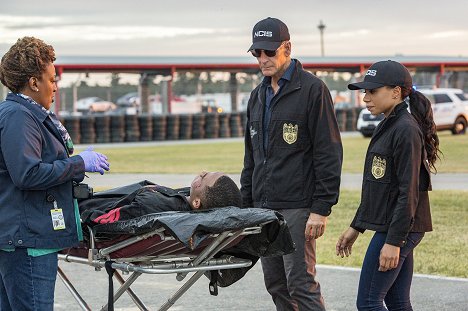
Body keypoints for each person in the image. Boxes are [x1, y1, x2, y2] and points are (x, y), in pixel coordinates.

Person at [0, 37, 110, 311]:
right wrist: (78, 164)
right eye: (52, 80)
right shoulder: (19, 116)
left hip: (24, 236)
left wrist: (73, 164)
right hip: (27, 240)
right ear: (34, 83)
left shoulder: (25, 113)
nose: (56, 87)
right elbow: (27, 173)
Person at [240, 17, 343, 310]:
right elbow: (251, 158)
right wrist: (246, 207)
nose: (263, 59)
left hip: (298, 206)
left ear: (287, 47)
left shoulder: (313, 89)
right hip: (263, 207)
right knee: (276, 285)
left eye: (269, 52)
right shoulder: (257, 96)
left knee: (300, 284)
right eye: (257, 53)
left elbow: (329, 152)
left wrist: (321, 209)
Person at [336, 60, 440, 311]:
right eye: (364, 92)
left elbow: (409, 192)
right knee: (397, 301)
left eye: (372, 91)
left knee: (369, 303)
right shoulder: (388, 123)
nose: (365, 98)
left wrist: (394, 242)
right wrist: (356, 227)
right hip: (397, 224)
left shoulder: (405, 129)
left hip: (400, 227)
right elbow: (378, 186)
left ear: (395, 92)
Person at [80, 171, 242, 224]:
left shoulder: (154, 204)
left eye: (204, 177)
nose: (201, 172)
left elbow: (99, 220)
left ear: (197, 202)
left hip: (79, 210)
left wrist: (78, 218)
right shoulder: (180, 202)